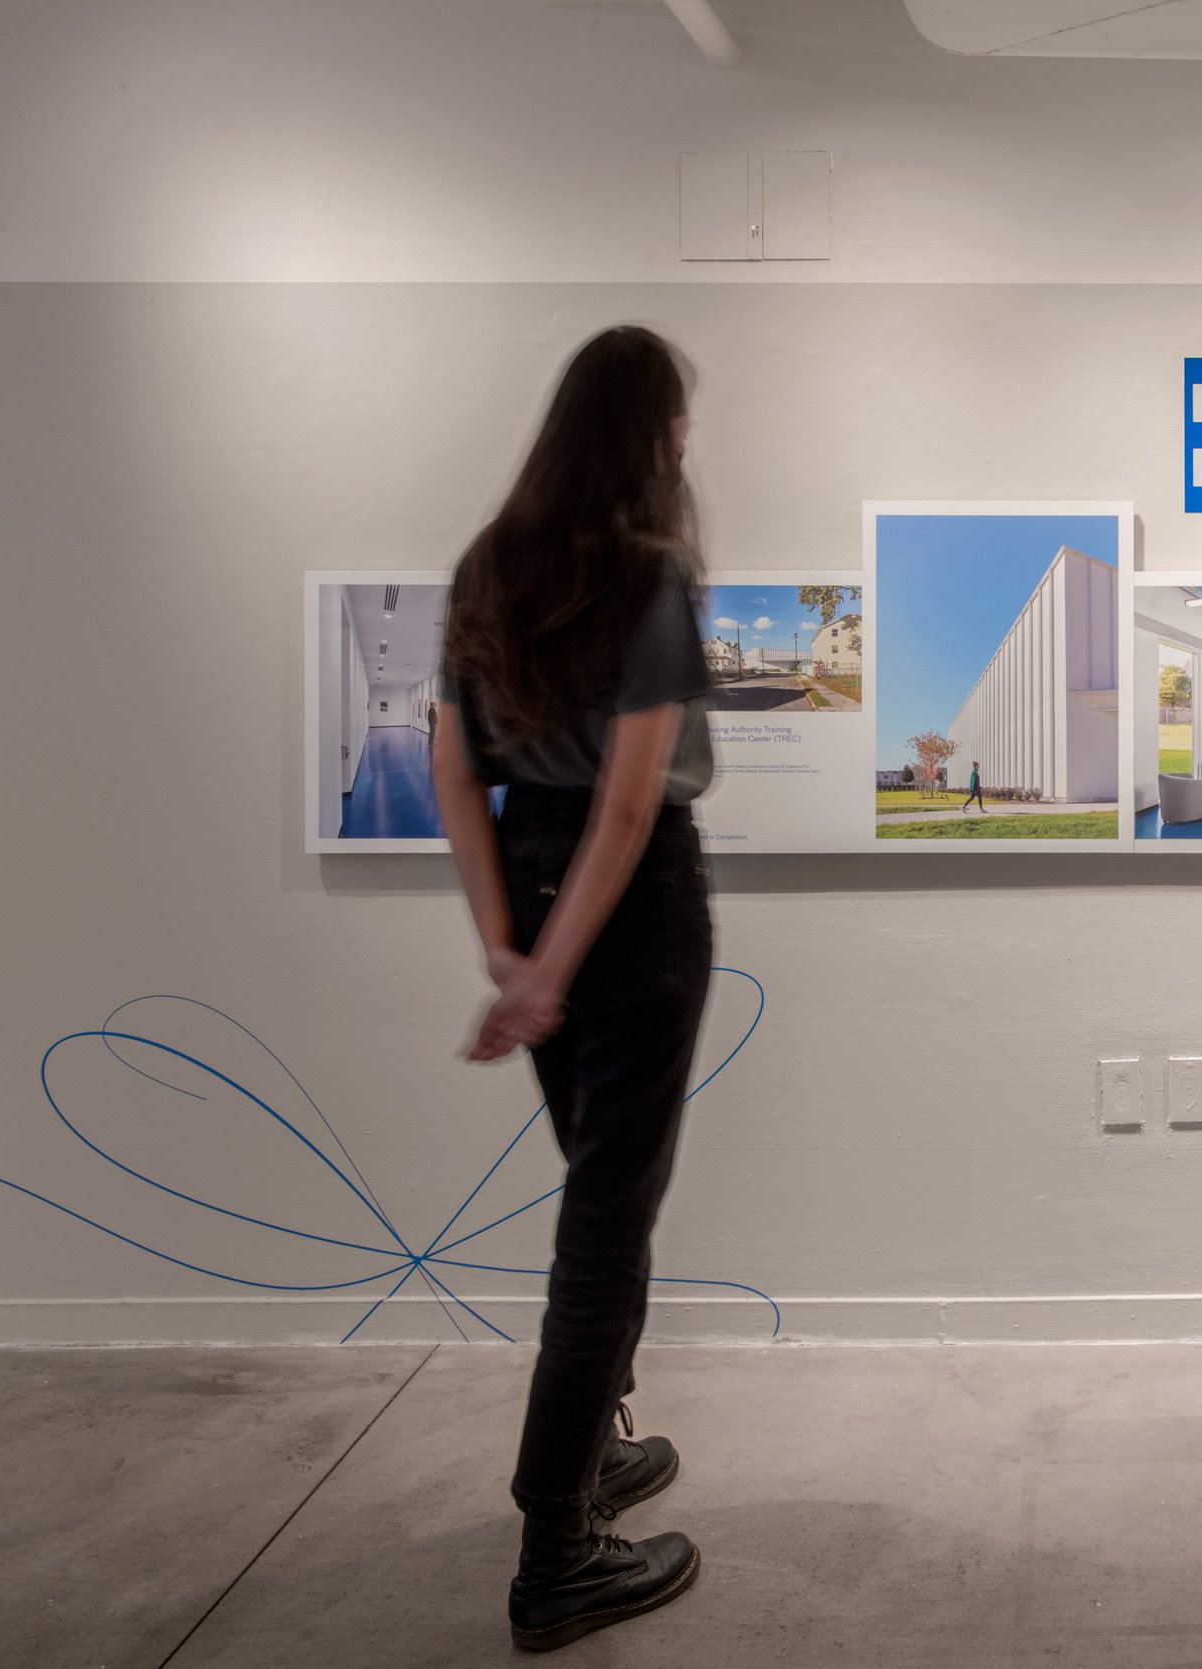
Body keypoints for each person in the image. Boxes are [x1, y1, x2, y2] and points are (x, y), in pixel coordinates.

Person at [430, 325, 715, 1653]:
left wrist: (508, 944)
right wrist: (546, 974)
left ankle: (593, 1454)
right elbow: (629, 802)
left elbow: (453, 771)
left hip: (535, 883)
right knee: (605, 1226)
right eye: (678, 420)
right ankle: (559, 1548)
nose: (686, 440)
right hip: (633, 902)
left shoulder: (488, 564)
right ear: (647, 433)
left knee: (603, 1193)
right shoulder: (648, 572)